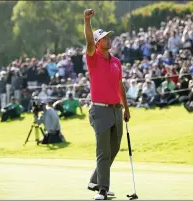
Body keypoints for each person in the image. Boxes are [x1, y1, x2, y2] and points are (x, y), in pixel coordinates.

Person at [84, 8, 130, 200]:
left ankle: (95, 180)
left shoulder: (116, 62)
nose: (108, 39)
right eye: (104, 38)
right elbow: (88, 40)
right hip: (100, 110)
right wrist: (87, 21)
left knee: (114, 147)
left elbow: (120, 86)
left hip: (116, 110)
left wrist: (126, 108)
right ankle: (103, 189)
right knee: (103, 150)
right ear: (97, 42)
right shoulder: (92, 58)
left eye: (109, 37)